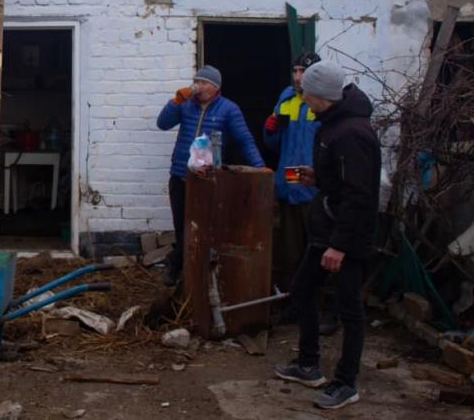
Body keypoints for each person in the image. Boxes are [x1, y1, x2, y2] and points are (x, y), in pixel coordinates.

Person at [274, 61, 381, 410]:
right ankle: (308, 365)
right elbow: (341, 180)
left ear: (322, 96)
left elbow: (359, 195)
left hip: (347, 236)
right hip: (327, 228)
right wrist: (316, 176)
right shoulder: (333, 123)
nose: (303, 98)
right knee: (302, 291)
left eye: (307, 93)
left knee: (349, 309)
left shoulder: (352, 134)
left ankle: (346, 383)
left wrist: (339, 245)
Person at [156, 65, 266, 286]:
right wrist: (175, 101)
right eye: (196, 80)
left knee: (203, 226)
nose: (197, 85)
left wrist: (259, 166)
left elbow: (244, 139)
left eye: (203, 82)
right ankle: (181, 269)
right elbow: (162, 124)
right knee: (181, 226)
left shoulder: (228, 109)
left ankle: (186, 269)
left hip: (207, 177)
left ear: (215, 87)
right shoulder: (186, 105)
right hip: (180, 175)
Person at [263, 52, 321, 294]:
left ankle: (317, 301)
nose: (298, 77)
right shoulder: (286, 99)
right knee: (290, 249)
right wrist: (270, 130)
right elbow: (274, 145)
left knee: (316, 246)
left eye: (303, 71)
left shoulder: (321, 102)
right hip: (289, 182)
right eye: (295, 71)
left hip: (315, 185)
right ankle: (293, 301)